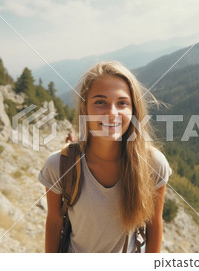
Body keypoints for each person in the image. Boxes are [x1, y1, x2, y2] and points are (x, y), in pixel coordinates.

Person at [38, 61, 172, 253]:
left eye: (122, 103)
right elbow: (54, 222)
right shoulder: (58, 165)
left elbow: (154, 225)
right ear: (85, 107)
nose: (112, 113)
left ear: (134, 109)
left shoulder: (153, 164)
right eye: (100, 102)